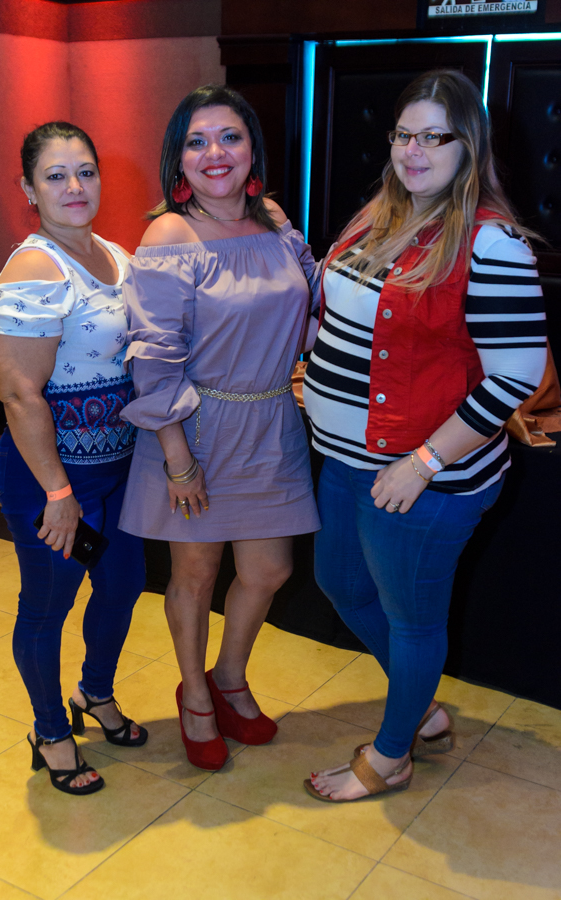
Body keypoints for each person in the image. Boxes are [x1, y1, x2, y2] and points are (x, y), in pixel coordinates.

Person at [302, 70, 547, 802]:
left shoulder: (492, 244)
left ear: (468, 145)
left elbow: (515, 375)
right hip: (347, 458)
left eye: (434, 137)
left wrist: (424, 461)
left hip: (422, 477)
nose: (413, 150)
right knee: (341, 585)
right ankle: (424, 709)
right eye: (404, 134)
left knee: (412, 622)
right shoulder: (379, 215)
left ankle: (391, 756)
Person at [118, 84, 320, 770]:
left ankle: (229, 676)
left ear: (252, 149)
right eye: (197, 141)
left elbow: (312, 308)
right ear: (178, 159)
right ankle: (196, 693)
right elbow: (154, 359)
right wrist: (178, 461)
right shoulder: (170, 236)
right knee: (197, 572)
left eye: (230, 137)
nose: (215, 153)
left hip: (273, 417)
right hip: (195, 427)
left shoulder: (275, 221)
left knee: (269, 569)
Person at [0, 122, 148, 796]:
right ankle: (50, 731)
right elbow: (19, 394)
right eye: (55, 176)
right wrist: (58, 493)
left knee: (122, 584)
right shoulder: (33, 271)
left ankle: (94, 692)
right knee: (49, 604)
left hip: (119, 473)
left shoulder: (115, 254)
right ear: (29, 189)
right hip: (53, 486)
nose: (75, 186)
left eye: (85, 171)